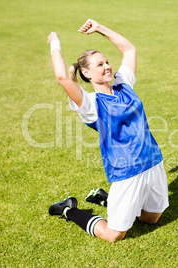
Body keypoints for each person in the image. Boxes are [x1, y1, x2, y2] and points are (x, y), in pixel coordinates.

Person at [47, 19, 169, 242]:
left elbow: (129, 49)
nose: (107, 67)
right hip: (127, 171)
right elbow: (62, 77)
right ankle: (68, 209)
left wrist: (100, 29)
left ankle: (106, 199)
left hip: (153, 161)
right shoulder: (90, 104)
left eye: (107, 62)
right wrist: (55, 42)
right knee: (114, 235)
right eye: (99, 65)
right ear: (87, 73)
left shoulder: (124, 85)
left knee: (150, 219)